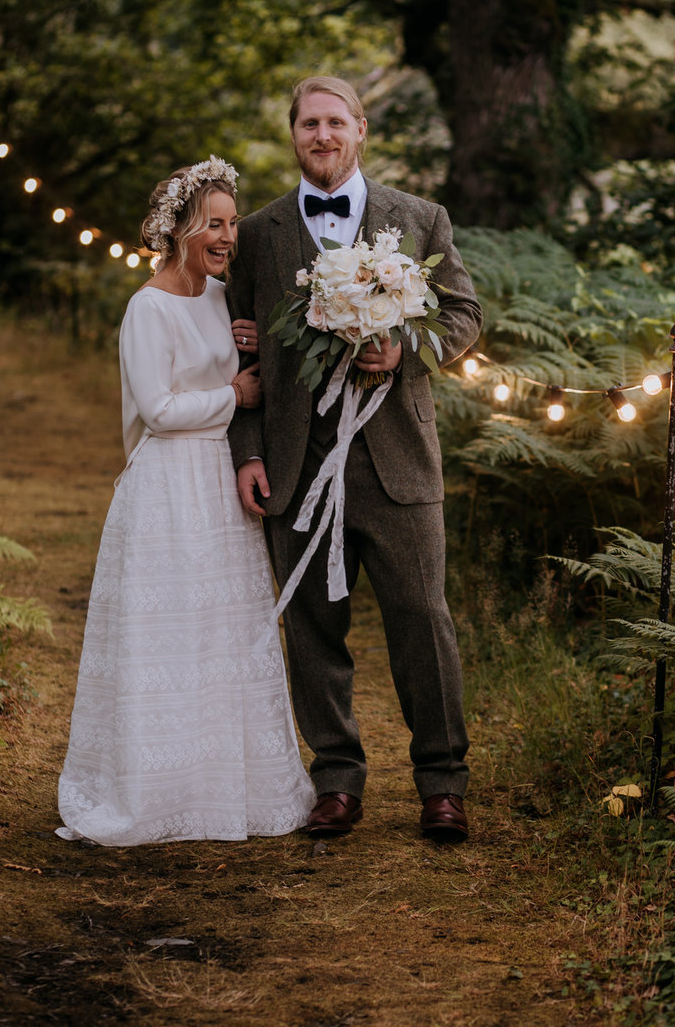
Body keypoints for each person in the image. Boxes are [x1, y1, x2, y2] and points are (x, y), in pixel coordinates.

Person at [228, 77, 482, 843]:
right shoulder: (258, 234)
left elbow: (465, 314)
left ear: (361, 130)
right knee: (311, 628)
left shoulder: (420, 218)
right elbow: (230, 352)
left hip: (396, 462)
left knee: (423, 622)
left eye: (336, 122)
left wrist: (406, 347)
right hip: (296, 464)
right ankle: (335, 780)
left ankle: (442, 784)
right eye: (309, 123)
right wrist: (246, 453)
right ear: (294, 134)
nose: (323, 135)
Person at [56, 156, 315, 845]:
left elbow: (224, 356)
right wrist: (234, 394)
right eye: (214, 225)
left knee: (223, 635)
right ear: (179, 230)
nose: (228, 236)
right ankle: (154, 788)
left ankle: (223, 782)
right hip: (168, 485)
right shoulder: (147, 306)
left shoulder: (222, 297)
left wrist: (246, 344)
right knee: (167, 635)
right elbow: (161, 409)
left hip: (220, 484)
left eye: (232, 223)